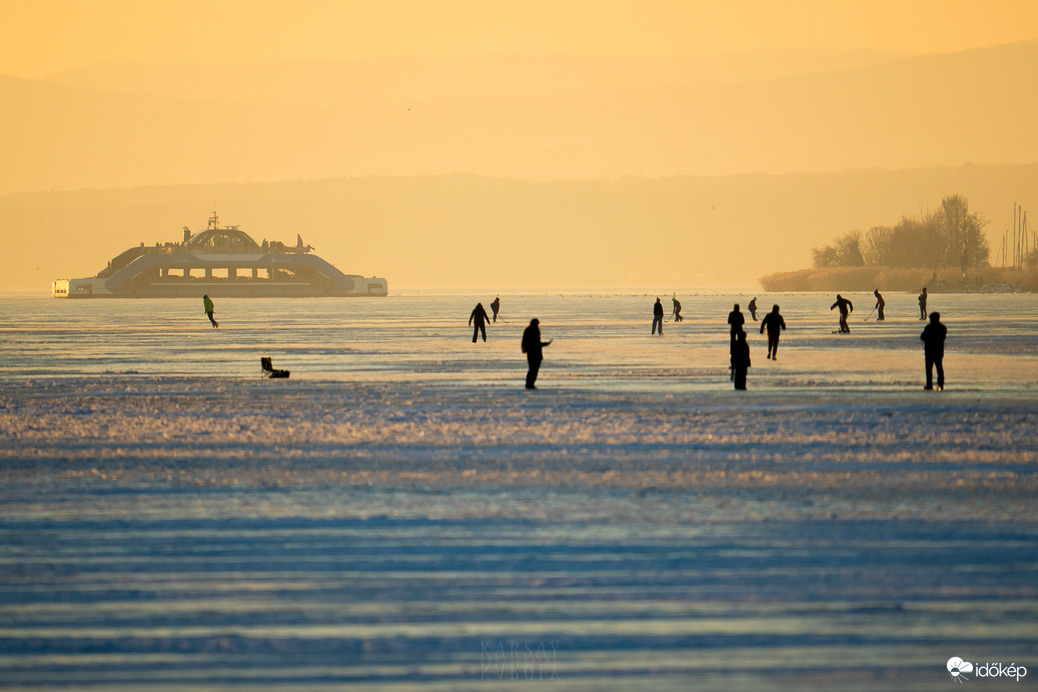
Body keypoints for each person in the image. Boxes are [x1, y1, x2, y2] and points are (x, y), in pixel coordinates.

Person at [521, 318, 552, 389]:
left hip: (533, 352)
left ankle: (530, 384)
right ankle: (529, 384)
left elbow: (526, 341)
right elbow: (535, 343)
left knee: (533, 369)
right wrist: (545, 344)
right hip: (534, 353)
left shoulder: (529, 330)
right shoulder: (532, 330)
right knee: (533, 369)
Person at [921, 312, 947, 391]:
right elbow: (942, 338)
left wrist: (929, 339)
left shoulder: (928, 327)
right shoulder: (942, 328)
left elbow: (922, 337)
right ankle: (940, 384)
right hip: (938, 351)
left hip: (929, 351)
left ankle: (929, 385)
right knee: (939, 368)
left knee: (929, 369)